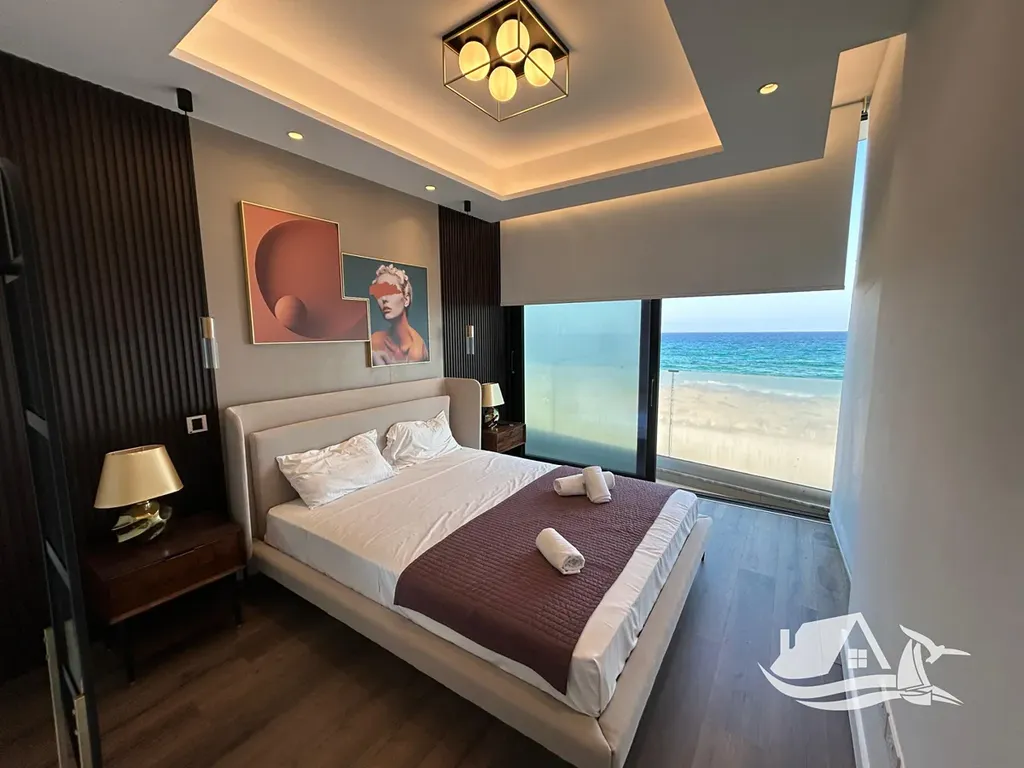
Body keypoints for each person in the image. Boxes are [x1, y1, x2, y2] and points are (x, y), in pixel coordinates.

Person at [368, 264, 428, 365]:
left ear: (406, 299)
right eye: (379, 293)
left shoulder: (416, 350)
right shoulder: (375, 340)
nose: (384, 299)